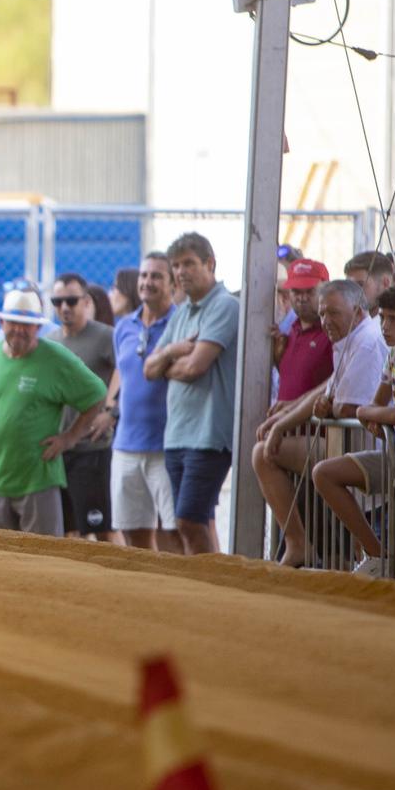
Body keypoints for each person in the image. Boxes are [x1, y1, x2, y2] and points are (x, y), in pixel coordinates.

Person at [249, 278, 386, 567]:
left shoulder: (367, 341)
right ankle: (300, 545)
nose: (325, 320)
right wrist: (284, 421)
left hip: (367, 449)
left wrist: (328, 409)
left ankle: (374, 556)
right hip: (348, 446)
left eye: (333, 312)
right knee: (266, 452)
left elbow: (347, 406)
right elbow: (328, 392)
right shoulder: (349, 338)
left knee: (305, 467)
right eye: (322, 313)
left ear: (359, 312)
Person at [0, 287, 108, 535]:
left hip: (38, 482)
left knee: (42, 561)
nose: (19, 330)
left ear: (38, 327)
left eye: (27, 324)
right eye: (13, 323)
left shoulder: (56, 359)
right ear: (2, 322)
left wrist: (70, 437)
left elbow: (96, 394)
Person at [309, 282, 395, 573]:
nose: (384, 326)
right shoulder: (393, 355)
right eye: (381, 317)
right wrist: (374, 413)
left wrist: (373, 413)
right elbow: (374, 407)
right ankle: (378, 555)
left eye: (393, 318)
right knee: (324, 473)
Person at [143, 232, 240, 554]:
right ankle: (209, 588)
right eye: (176, 266)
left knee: (189, 521)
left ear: (210, 263)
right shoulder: (183, 311)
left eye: (188, 264)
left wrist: (168, 364)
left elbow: (194, 367)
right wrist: (173, 350)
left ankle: (214, 592)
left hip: (209, 435)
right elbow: (148, 370)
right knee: (187, 522)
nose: (181, 272)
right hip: (178, 435)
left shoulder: (225, 306)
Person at [107, 253, 177, 551]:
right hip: (125, 445)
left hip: (167, 447)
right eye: (144, 275)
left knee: (173, 534)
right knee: (133, 535)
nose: (148, 282)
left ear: (172, 283)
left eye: (157, 276)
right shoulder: (123, 327)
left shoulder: (180, 322)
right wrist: (110, 410)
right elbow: (122, 376)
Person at [50, 272, 115, 540]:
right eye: (58, 301)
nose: (64, 307)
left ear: (86, 301)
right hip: (58, 450)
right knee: (68, 531)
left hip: (92, 449)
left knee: (102, 530)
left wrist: (112, 412)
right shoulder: (50, 341)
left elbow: (130, 372)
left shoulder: (105, 336)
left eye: (72, 301)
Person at [273, 258, 334, 404]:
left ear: (326, 290)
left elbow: (338, 384)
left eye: (310, 291)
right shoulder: (289, 332)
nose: (302, 298)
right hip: (284, 426)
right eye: (296, 291)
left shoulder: (333, 332)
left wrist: (292, 408)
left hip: (316, 427)